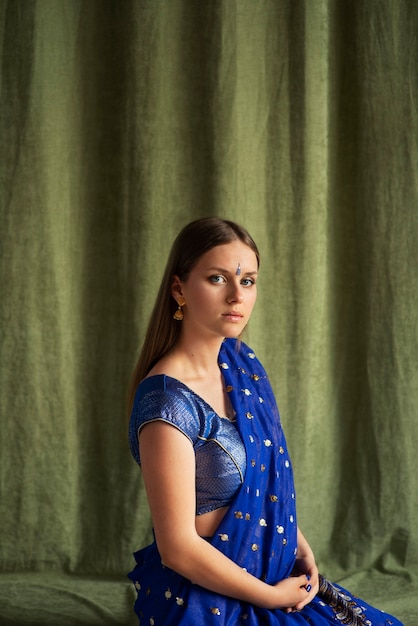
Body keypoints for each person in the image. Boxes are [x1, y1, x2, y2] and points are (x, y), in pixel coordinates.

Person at [127, 217, 403, 625]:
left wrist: (297, 544)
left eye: (249, 281)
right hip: (205, 598)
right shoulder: (166, 402)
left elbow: (268, 482)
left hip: (272, 575)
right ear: (179, 289)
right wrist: (270, 597)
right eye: (218, 279)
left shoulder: (241, 363)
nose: (237, 296)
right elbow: (178, 548)